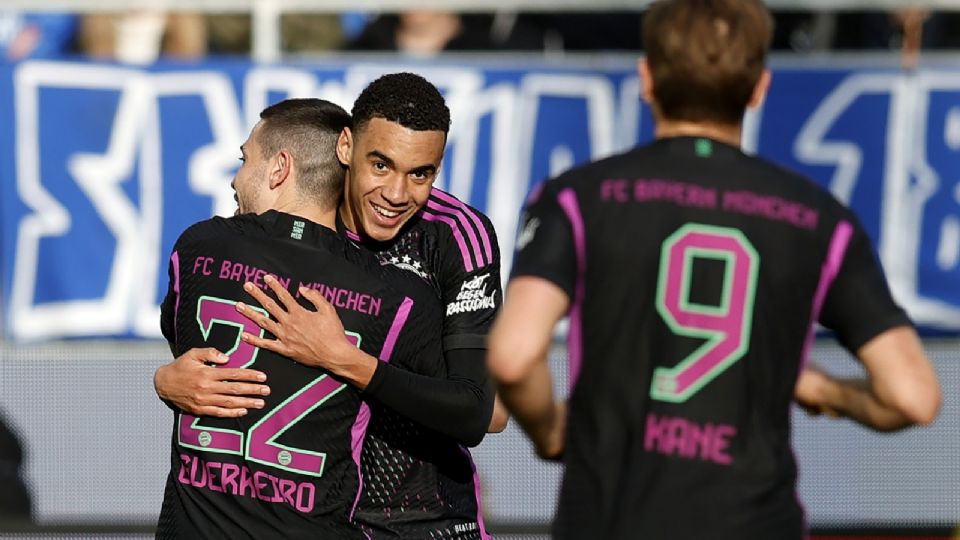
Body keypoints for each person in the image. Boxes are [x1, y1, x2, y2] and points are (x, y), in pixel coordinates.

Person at [487, 1, 942, 539]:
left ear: (647, 78)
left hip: (611, 518)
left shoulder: (575, 198)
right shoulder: (820, 219)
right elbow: (914, 396)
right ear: (759, 88)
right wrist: (826, 392)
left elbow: (513, 357)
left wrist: (550, 433)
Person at [155, 73, 505, 539]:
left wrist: (346, 360)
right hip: (326, 514)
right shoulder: (300, 222)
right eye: (380, 165)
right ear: (345, 148)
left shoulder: (455, 234)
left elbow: (486, 412)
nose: (397, 194)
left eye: (419, 174)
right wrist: (165, 379)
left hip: (424, 517)